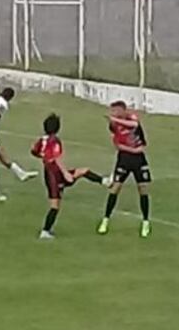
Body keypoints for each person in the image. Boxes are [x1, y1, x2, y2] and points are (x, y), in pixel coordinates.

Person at [31, 113, 109, 240]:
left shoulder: (42, 140)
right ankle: (45, 231)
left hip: (50, 171)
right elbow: (56, 158)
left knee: (83, 171)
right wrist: (65, 173)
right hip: (54, 174)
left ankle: (105, 181)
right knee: (55, 205)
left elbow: (34, 151)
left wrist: (44, 157)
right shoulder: (55, 140)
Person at [97, 101, 153, 238]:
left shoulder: (131, 118)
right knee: (115, 188)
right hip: (125, 158)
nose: (113, 114)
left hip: (139, 159)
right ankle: (105, 220)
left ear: (123, 110)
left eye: (116, 111)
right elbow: (117, 145)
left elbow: (134, 125)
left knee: (143, 189)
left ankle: (145, 222)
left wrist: (115, 119)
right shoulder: (114, 125)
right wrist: (132, 149)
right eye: (112, 111)